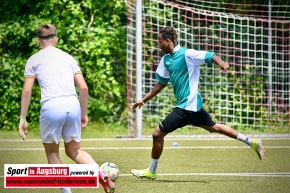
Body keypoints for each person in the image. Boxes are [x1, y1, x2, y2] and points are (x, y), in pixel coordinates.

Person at [130, 26, 265, 180]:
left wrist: (221, 63)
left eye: (160, 42)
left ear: (168, 41)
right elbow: (161, 83)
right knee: (215, 128)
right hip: (192, 107)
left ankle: (152, 171)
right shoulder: (166, 59)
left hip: (186, 107)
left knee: (157, 134)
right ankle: (252, 142)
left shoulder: (187, 54)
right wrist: (143, 100)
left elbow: (210, 55)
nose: (158, 45)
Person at [18, 24, 115, 193]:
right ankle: (99, 173)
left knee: (52, 154)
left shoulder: (33, 60)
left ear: (37, 41)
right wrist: (83, 113)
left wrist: (22, 119)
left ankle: (66, 191)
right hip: (73, 105)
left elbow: (27, 90)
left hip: (52, 107)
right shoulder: (69, 58)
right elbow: (83, 88)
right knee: (74, 151)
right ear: (56, 39)